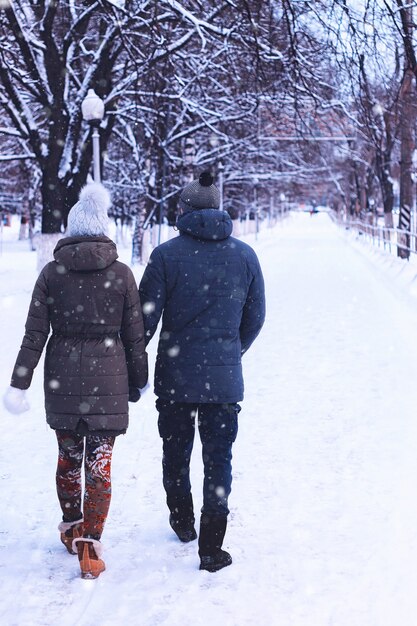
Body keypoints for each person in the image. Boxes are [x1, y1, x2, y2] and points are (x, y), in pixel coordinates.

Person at [3, 183, 148, 580]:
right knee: (99, 465)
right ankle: (91, 546)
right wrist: (139, 381)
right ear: (103, 228)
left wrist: (19, 383)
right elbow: (135, 336)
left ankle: (72, 527)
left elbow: (34, 335)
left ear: (69, 230)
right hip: (110, 379)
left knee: (69, 458)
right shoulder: (121, 274)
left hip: (62, 380)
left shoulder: (52, 273)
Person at [139, 171, 265, 572]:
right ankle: (211, 548)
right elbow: (256, 316)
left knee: (175, 452)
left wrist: (132, 356)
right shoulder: (244, 255)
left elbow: (145, 319)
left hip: (175, 377)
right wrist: (232, 349)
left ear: (185, 210)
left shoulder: (165, 255)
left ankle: (182, 520)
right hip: (224, 381)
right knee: (219, 459)